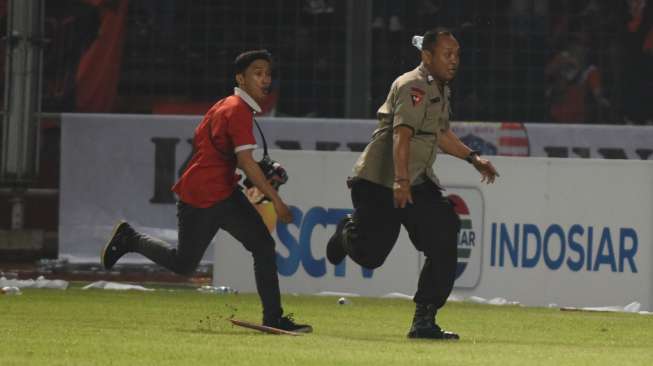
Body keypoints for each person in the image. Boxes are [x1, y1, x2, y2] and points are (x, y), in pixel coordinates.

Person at [101, 50, 312, 333]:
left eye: (268, 74)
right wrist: (277, 201)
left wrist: (250, 172)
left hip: (223, 191)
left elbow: (220, 150)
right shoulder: (237, 110)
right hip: (202, 195)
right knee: (184, 264)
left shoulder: (229, 105)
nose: (265, 79)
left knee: (262, 245)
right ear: (241, 78)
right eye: (257, 73)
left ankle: (273, 317)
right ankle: (130, 238)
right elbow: (246, 162)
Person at [326, 28, 499, 340]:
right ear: (427, 56)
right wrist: (400, 181)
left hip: (416, 180)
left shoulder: (441, 89)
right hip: (380, 180)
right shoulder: (412, 86)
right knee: (371, 256)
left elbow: (441, 134)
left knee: (445, 232)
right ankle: (345, 233)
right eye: (447, 54)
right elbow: (401, 135)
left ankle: (424, 319)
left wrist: (473, 158)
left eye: (457, 54)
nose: (454, 60)